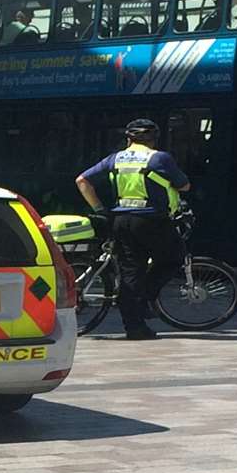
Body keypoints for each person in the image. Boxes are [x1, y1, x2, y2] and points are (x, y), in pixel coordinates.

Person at [75, 119, 191, 340]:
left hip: (121, 221)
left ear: (129, 139)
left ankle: (135, 328)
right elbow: (184, 185)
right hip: (152, 220)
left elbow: (82, 180)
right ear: (154, 140)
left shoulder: (115, 159)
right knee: (174, 258)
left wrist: (100, 209)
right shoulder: (159, 158)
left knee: (131, 273)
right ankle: (145, 297)